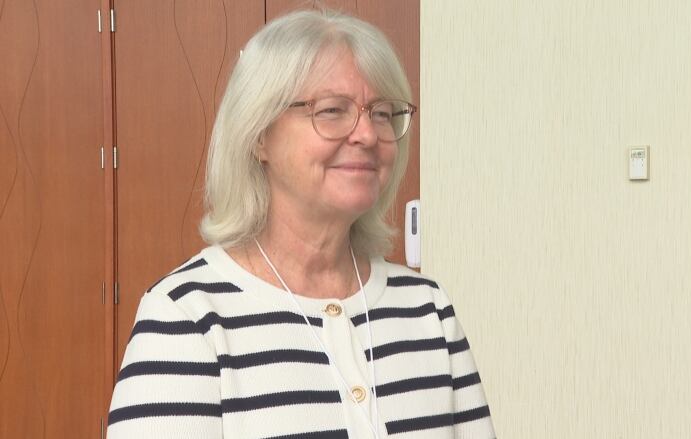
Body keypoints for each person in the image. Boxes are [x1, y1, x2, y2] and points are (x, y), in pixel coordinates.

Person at [107, 9, 495, 439]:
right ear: (258, 135)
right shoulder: (187, 316)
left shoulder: (428, 309)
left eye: (382, 113)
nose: (367, 134)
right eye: (332, 110)